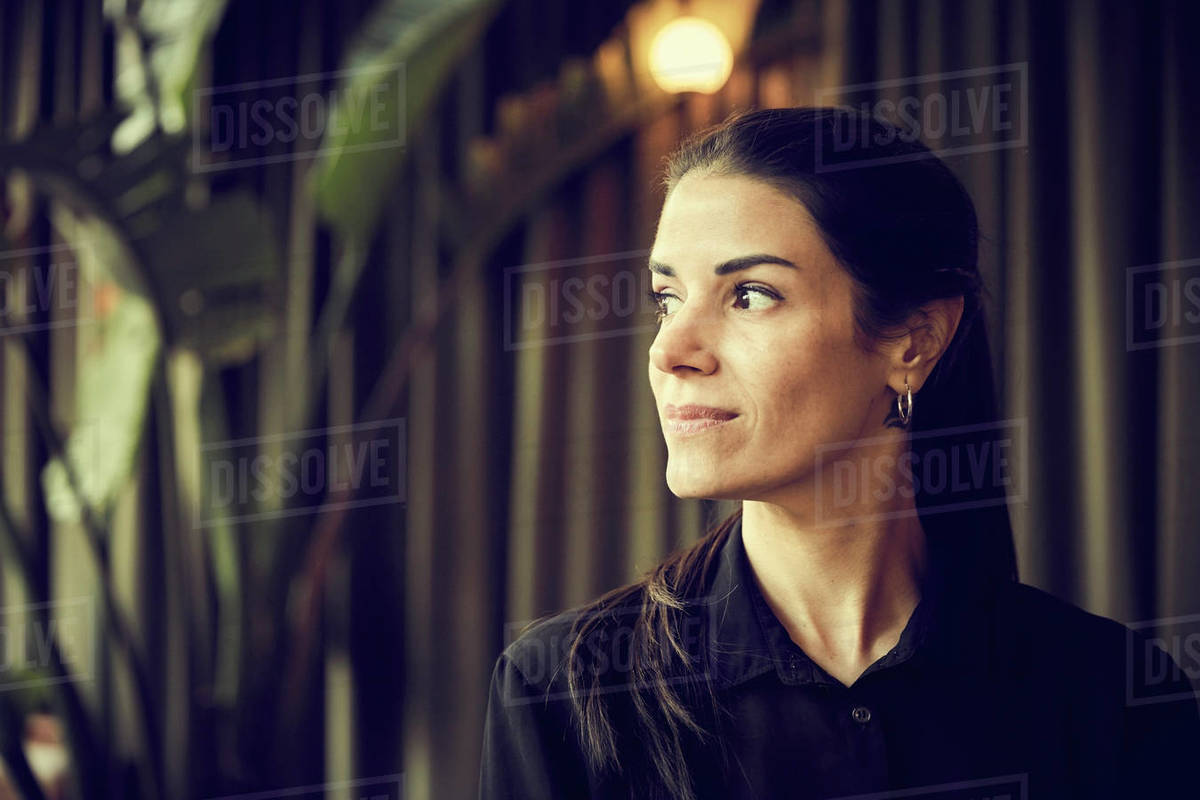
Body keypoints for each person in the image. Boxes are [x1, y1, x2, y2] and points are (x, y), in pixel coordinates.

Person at [477, 107, 1200, 800]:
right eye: (668, 298)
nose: (670, 351)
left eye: (750, 295)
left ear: (913, 341)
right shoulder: (561, 694)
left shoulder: (1111, 695)